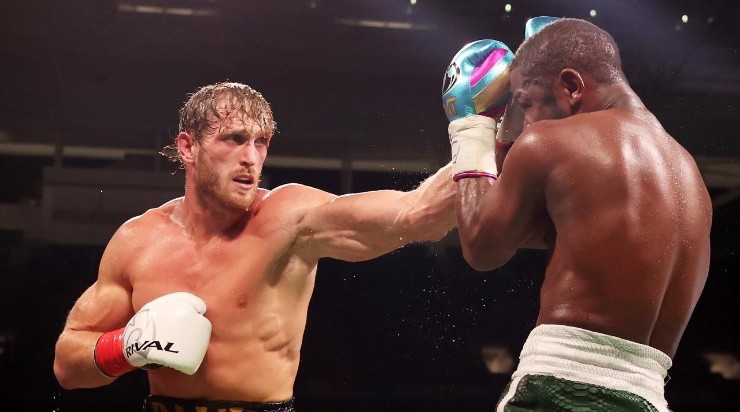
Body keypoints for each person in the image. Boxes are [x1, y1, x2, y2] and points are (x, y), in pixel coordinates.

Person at [53, 81, 458, 412]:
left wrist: (479, 137)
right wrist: (124, 347)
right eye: (234, 139)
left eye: (261, 142)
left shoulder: (290, 218)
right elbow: (67, 364)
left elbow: (416, 214)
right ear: (187, 147)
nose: (251, 157)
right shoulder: (139, 240)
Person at [443, 18, 712, 411]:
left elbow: (482, 248)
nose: (528, 123)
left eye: (526, 104)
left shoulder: (550, 143)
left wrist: (470, 128)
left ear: (571, 86)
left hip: (563, 389)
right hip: (649, 397)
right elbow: (540, 227)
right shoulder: (690, 177)